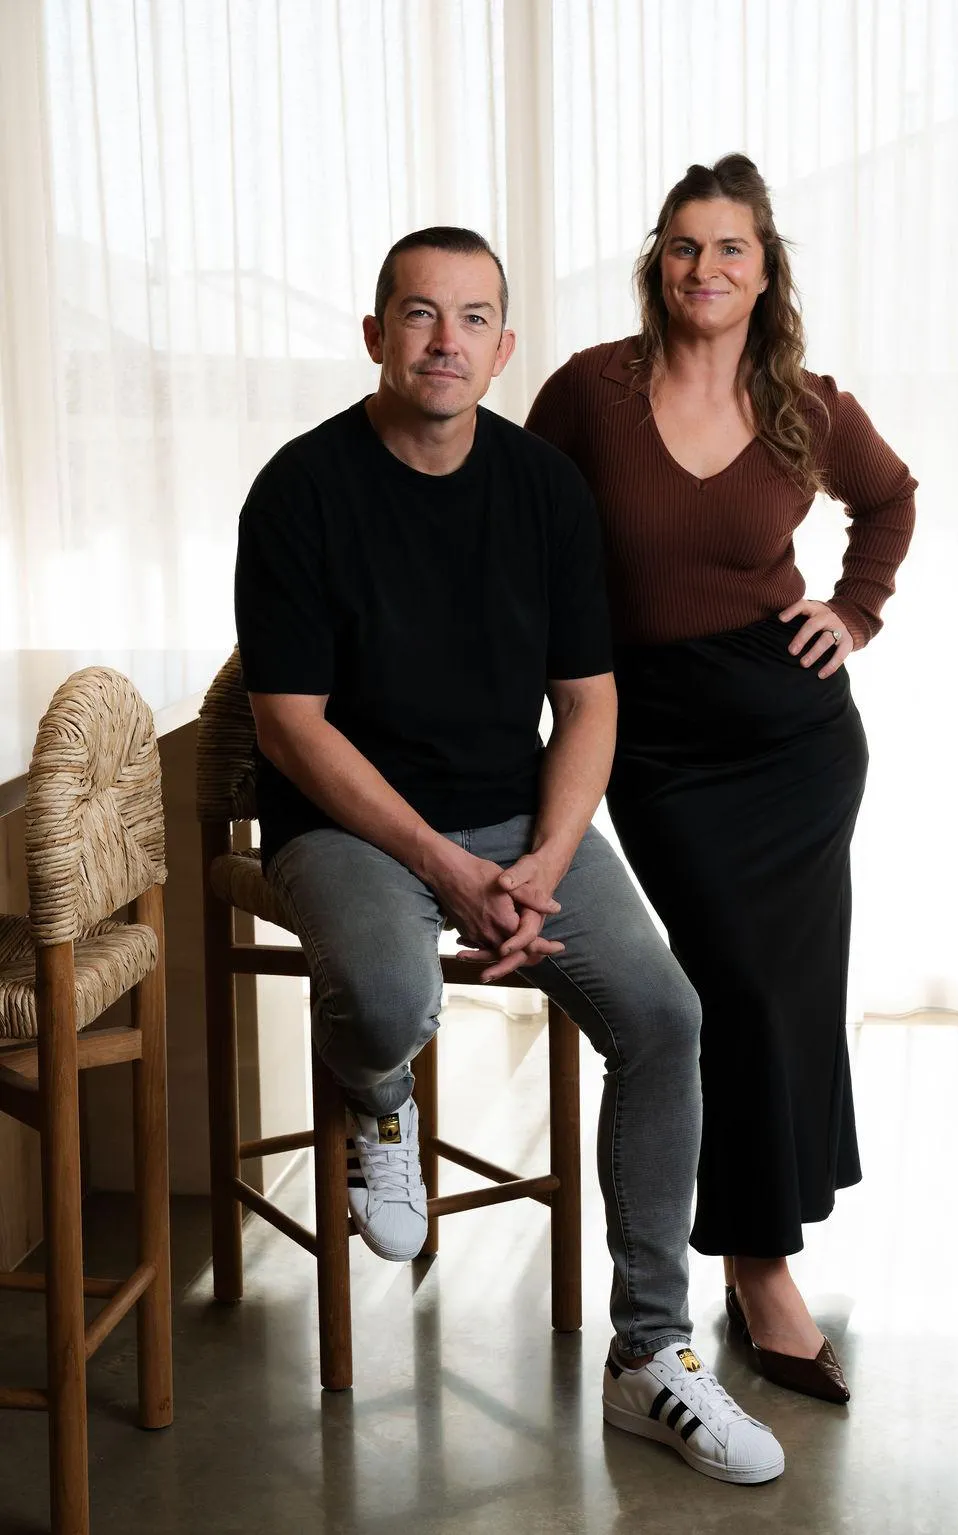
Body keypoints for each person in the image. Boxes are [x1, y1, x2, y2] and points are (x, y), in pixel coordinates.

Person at [234, 226, 784, 1484]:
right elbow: (289, 725)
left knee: (665, 1016)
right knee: (389, 994)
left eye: (473, 318)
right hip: (351, 825)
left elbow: (587, 701)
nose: (447, 340)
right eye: (420, 314)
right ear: (375, 334)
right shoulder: (300, 489)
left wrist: (543, 858)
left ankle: (650, 1355)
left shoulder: (544, 488)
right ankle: (382, 1097)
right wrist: (442, 864)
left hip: (514, 824)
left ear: (504, 346)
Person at [526, 156, 916, 1405]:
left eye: (730, 248)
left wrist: (853, 610)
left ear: (764, 269)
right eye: (685, 246)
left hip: (795, 740)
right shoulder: (592, 390)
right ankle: (756, 1261)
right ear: (659, 263)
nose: (706, 267)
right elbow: (512, 521)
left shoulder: (802, 403)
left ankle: (762, 1266)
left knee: (787, 995)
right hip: (652, 739)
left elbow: (890, 499)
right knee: (734, 987)